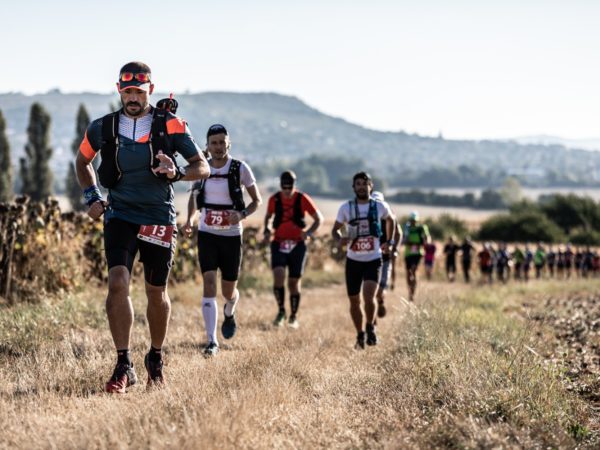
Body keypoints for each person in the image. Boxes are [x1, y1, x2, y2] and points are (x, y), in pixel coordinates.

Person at [76, 61, 210, 393]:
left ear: (150, 89)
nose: (133, 98)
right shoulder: (103, 127)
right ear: (119, 91)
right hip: (120, 214)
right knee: (117, 283)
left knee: (156, 292)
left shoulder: (171, 125)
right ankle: (124, 364)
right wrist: (91, 195)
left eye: (138, 91)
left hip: (158, 217)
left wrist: (176, 173)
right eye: (127, 92)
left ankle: (156, 359)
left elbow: (203, 166)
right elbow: (82, 161)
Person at [184, 124, 261, 357]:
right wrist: (190, 219)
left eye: (221, 142)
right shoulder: (201, 169)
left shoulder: (240, 168)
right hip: (207, 233)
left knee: (229, 291)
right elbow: (194, 198)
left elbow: (256, 201)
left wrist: (241, 214)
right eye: (213, 143)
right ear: (207, 146)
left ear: (229, 144)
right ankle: (211, 341)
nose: (218, 147)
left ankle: (229, 311)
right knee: (209, 284)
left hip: (231, 236)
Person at [331, 172, 395, 349]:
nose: (361, 187)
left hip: (373, 259)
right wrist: (340, 239)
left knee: (369, 296)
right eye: (357, 184)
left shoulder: (379, 206)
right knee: (354, 301)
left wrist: (389, 242)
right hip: (353, 261)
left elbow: (391, 220)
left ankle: (370, 327)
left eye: (364, 183)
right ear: (353, 187)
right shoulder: (346, 208)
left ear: (370, 186)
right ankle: (360, 334)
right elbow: (335, 230)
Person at [263, 171, 323, 328]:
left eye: (290, 187)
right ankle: (281, 311)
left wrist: (308, 232)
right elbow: (268, 217)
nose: (287, 191)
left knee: (293, 283)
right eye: (284, 187)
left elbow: (319, 219)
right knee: (278, 275)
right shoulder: (274, 199)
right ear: (281, 186)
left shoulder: (303, 198)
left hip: (298, 245)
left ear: (294, 185)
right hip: (278, 243)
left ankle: (293, 317)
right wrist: (267, 229)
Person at [370, 191, 402, 319]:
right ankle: (372, 318)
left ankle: (380, 300)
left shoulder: (390, 215)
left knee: (380, 288)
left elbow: (398, 233)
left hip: (385, 257)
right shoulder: (369, 216)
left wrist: (394, 248)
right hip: (371, 256)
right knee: (370, 288)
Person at [402, 211, 431, 301]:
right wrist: (406, 242)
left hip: (418, 253)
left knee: (414, 271)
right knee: (408, 274)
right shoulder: (407, 228)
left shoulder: (422, 228)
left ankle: (413, 293)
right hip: (408, 253)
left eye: (415, 220)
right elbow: (403, 239)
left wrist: (427, 243)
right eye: (412, 220)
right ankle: (409, 291)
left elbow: (427, 237)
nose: (413, 222)